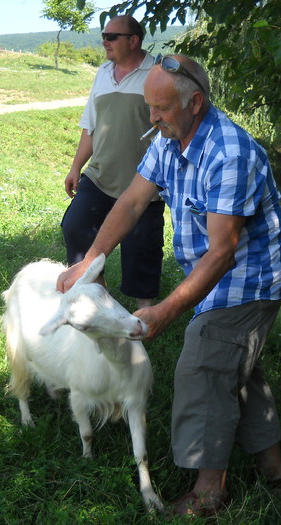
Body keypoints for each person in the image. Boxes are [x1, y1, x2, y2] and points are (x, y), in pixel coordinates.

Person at [57, 54, 281, 518]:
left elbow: (223, 254)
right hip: (217, 275)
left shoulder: (230, 153)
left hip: (248, 281)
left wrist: (164, 310)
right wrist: (91, 261)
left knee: (203, 364)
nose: (152, 118)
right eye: (149, 106)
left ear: (195, 102)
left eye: (160, 108)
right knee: (235, 369)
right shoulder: (168, 139)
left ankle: (209, 495)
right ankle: (275, 474)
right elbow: (130, 202)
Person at [61, 15, 164, 309]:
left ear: (133, 40)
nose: (104, 41)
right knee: (75, 226)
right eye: (103, 35)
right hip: (100, 176)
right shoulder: (103, 74)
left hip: (143, 181)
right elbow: (90, 126)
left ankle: (145, 313)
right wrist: (75, 167)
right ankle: (95, 293)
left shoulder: (156, 74)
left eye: (112, 36)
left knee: (141, 247)